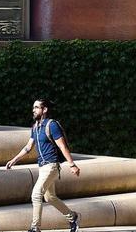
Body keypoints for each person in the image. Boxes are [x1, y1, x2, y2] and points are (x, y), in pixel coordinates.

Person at [6, 99, 81, 232]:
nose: (33, 110)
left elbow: (62, 146)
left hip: (51, 165)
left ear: (44, 109)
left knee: (36, 194)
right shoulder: (35, 127)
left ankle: (35, 228)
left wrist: (72, 165)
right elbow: (29, 147)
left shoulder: (52, 125)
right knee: (49, 197)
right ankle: (72, 217)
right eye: (33, 107)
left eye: (36, 107)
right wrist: (14, 159)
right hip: (42, 167)